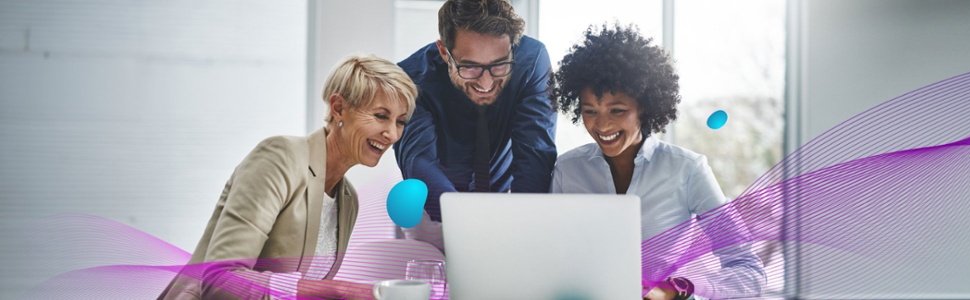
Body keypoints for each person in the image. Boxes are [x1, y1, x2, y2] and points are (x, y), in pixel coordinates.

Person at [158, 54, 417, 300]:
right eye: (381, 116)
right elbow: (222, 281)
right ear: (338, 108)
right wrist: (338, 291)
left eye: (400, 121)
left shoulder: (348, 199)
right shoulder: (279, 157)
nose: (392, 135)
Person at [549, 24, 765, 300]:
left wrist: (679, 290)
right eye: (590, 111)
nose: (602, 124)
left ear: (645, 107)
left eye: (617, 110)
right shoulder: (568, 170)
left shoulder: (686, 170)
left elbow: (749, 270)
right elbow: (552, 256)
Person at [394, 0, 557, 248]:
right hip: (433, 213)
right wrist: (470, 227)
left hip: (507, 209)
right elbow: (419, 161)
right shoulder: (409, 78)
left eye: (499, 64)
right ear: (443, 51)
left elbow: (535, 154)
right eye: (469, 67)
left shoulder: (531, 61)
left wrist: (524, 229)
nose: (486, 82)